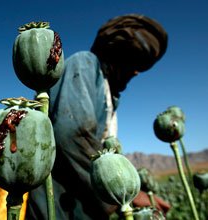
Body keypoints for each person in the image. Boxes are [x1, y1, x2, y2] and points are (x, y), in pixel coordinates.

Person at [25, 14, 170, 219]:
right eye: (135, 61)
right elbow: (72, 133)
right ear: (117, 51)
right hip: (57, 206)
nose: (137, 72)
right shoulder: (85, 64)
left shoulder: (108, 93)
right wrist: (125, 193)